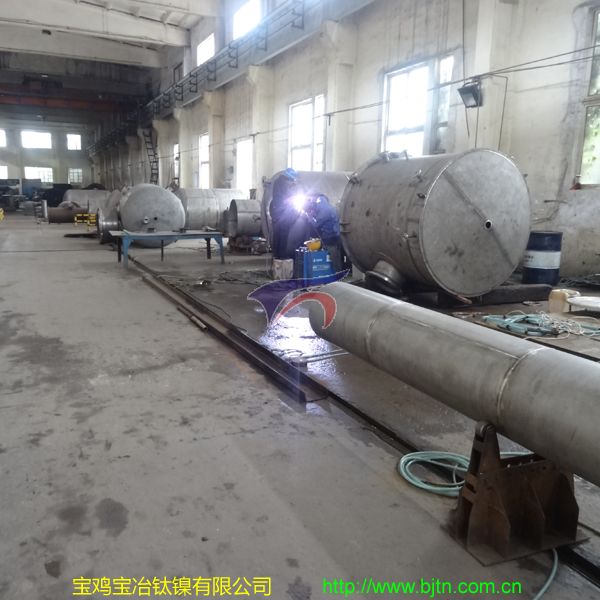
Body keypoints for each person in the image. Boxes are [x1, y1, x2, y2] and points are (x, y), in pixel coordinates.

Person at [306, 194, 343, 272]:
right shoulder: (327, 207)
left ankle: (337, 275)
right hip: (333, 236)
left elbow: (317, 224)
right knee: (334, 257)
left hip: (330, 237)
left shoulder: (324, 209)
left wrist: (309, 216)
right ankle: (336, 273)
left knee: (333, 258)